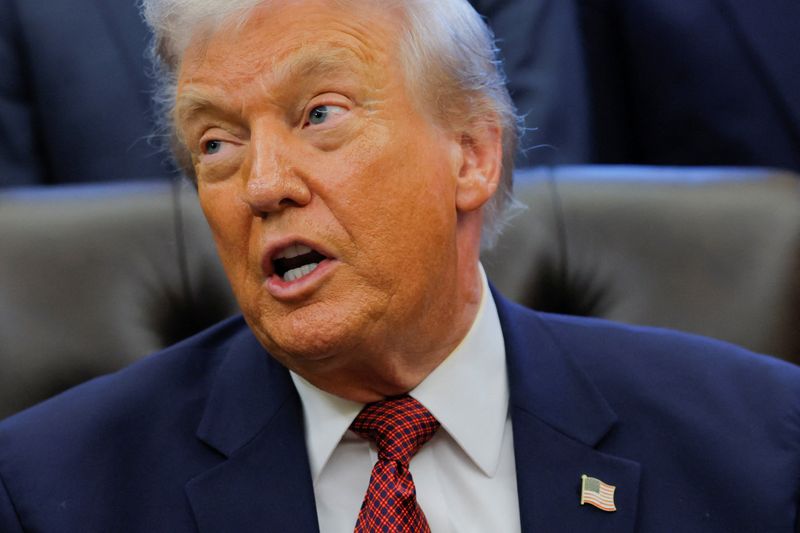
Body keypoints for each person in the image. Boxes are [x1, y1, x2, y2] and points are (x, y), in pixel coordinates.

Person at [0, 1, 798, 531]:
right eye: (217, 143)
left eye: (320, 114)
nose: (263, 184)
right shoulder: (51, 489)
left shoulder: (759, 443)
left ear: (472, 154)